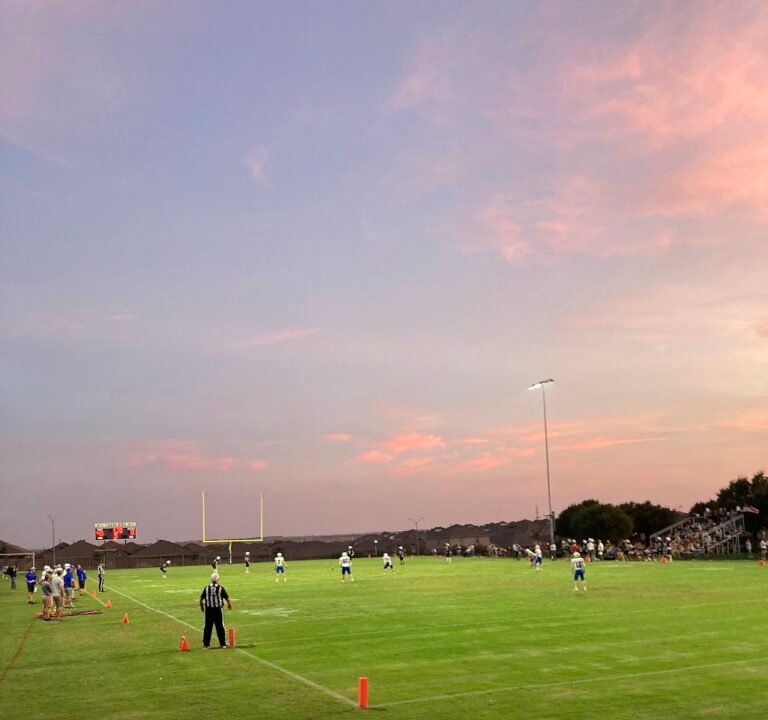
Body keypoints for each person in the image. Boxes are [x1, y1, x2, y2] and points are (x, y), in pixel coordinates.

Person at [199, 572, 232, 649]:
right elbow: (227, 598)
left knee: (208, 627)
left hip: (209, 610)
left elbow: (201, 598)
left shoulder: (207, 588)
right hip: (218, 610)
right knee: (220, 626)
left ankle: (206, 645)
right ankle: (223, 643)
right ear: (218, 579)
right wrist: (229, 604)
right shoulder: (220, 588)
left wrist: (202, 606)